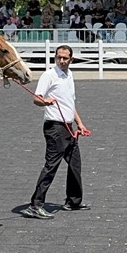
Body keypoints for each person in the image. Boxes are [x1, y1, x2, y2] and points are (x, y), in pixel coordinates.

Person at [23, 45, 89, 219]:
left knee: (75, 165)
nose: (61, 60)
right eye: (59, 57)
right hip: (55, 128)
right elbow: (36, 99)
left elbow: (70, 104)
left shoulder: (69, 76)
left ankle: (73, 201)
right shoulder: (49, 75)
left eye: (65, 58)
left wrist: (80, 123)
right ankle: (35, 205)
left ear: (71, 60)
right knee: (51, 166)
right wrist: (45, 102)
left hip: (68, 128)